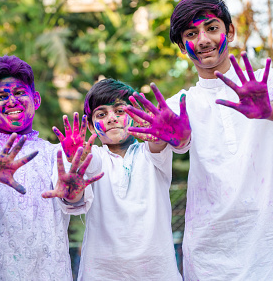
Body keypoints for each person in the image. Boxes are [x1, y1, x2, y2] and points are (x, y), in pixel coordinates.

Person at [127, 0, 273, 280]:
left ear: (230, 31)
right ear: (181, 46)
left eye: (212, 28)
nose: (203, 40)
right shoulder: (180, 104)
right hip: (210, 251)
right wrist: (163, 139)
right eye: (191, 34)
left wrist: (267, 109)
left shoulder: (265, 81)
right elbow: (165, 147)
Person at [0, 55, 102, 280]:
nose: (12, 101)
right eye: (2, 96)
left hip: (47, 270)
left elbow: (73, 199)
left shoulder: (57, 154)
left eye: (20, 93)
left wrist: (74, 193)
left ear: (36, 99)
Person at [56, 78, 189, 281]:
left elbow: (158, 145)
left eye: (120, 111)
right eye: (101, 114)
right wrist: (74, 177)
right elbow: (74, 195)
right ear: (91, 127)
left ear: (135, 116)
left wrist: (160, 135)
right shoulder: (93, 157)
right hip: (101, 273)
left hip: (157, 272)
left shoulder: (151, 153)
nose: (112, 118)